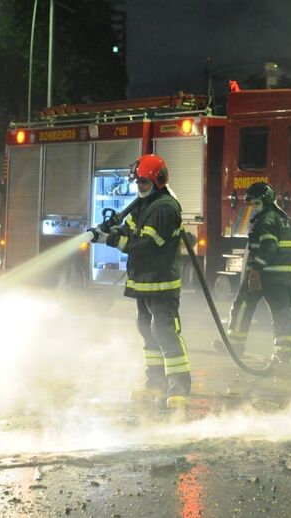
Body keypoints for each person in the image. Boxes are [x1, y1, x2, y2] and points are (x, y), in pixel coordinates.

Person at [104, 154, 190, 412]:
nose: (139, 187)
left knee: (164, 330)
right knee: (146, 330)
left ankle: (179, 387)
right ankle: (155, 383)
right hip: (143, 282)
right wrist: (112, 231)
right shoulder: (143, 204)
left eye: (143, 182)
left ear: (157, 181)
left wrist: (116, 242)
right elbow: (131, 228)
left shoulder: (165, 208)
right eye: (137, 183)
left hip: (161, 282)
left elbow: (148, 245)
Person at [223, 182, 291, 364]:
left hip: (264, 275)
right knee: (281, 313)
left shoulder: (267, 219)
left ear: (266, 201)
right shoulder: (281, 217)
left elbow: (268, 247)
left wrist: (255, 269)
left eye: (256, 204)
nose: (253, 208)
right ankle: (283, 353)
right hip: (281, 277)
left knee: (243, 306)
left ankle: (236, 346)